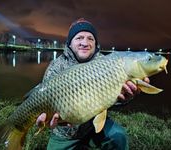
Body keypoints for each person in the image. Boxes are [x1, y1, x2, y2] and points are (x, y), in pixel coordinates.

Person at [36, 18, 149, 150]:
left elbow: (112, 98)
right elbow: (45, 103)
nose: (85, 42)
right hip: (64, 133)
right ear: (70, 43)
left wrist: (126, 98)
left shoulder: (107, 63)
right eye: (79, 38)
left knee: (119, 137)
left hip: (93, 127)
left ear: (95, 43)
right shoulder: (56, 67)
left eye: (90, 38)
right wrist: (46, 119)